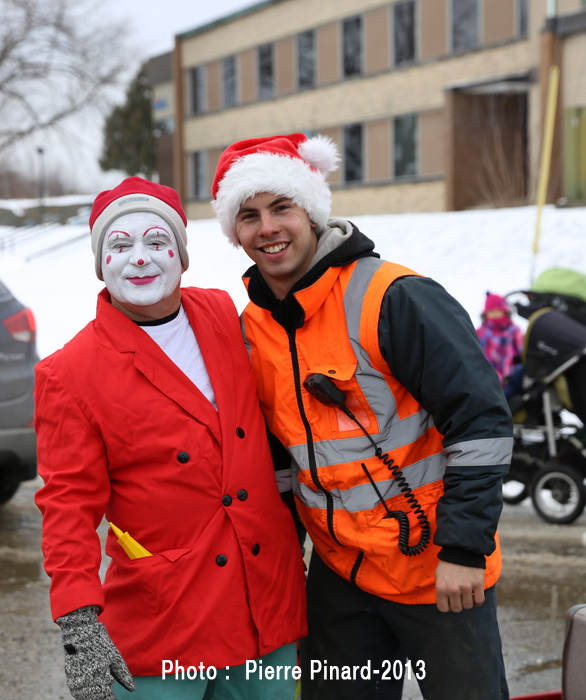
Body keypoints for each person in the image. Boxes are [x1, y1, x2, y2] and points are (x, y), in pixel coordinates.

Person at [210, 133, 512, 700]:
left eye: (282, 208)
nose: (267, 228)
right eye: (248, 216)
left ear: (312, 211)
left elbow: (482, 424)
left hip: (436, 571)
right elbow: (278, 464)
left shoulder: (394, 296)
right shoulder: (253, 331)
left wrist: (466, 549)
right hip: (340, 580)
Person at [33, 177, 307, 700]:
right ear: (101, 264)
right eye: (120, 246)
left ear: (181, 257)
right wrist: (79, 623)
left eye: (156, 242)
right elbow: (67, 506)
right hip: (167, 618)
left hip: (265, 602)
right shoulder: (68, 374)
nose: (140, 259)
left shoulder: (225, 315)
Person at [476, 292, 523, 385]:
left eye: (498, 311)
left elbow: (522, 349)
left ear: (505, 312)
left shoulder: (514, 331)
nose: (495, 315)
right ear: (486, 314)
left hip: (511, 376)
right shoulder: (480, 333)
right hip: (489, 377)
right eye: (492, 312)